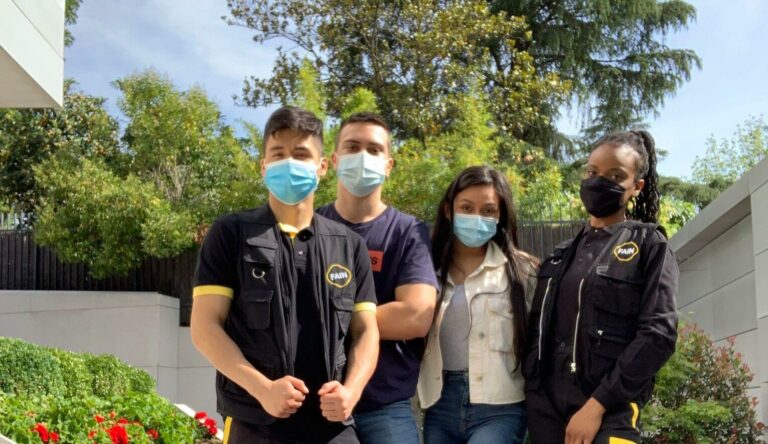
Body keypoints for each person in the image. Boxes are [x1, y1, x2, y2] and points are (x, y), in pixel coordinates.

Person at [190, 106, 379, 444]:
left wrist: (351, 392)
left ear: (323, 167)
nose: (289, 162)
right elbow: (205, 327)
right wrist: (263, 389)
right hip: (254, 423)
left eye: (301, 154)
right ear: (263, 166)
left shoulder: (349, 245)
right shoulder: (231, 233)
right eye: (278, 154)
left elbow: (366, 331)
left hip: (332, 426)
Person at [522, 130, 679, 444]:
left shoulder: (649, 244)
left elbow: (658, 334)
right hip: (546, 412)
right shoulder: (559, 256)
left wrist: (597, 405)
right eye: (592, 172)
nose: (598, 182)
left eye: (615, 176)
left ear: (636, 187)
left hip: (612, 409)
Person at [317, 112, 438, 444]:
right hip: (318, 405)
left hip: (386, 407)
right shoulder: (308, 228)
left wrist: (329, 320)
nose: (363, 156)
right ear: (334, 160)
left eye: (374, 149)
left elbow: (416, 316)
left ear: (388, 165)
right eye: (352, 147)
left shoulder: (407, 231)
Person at [417, 166, 537, 444]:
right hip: (439, 405)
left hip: (501, 407)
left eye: (488, 210)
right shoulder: (425, 270)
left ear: (500, 215)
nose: (476, 217)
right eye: (467, 208)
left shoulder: (523, 271)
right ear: (449, 210)